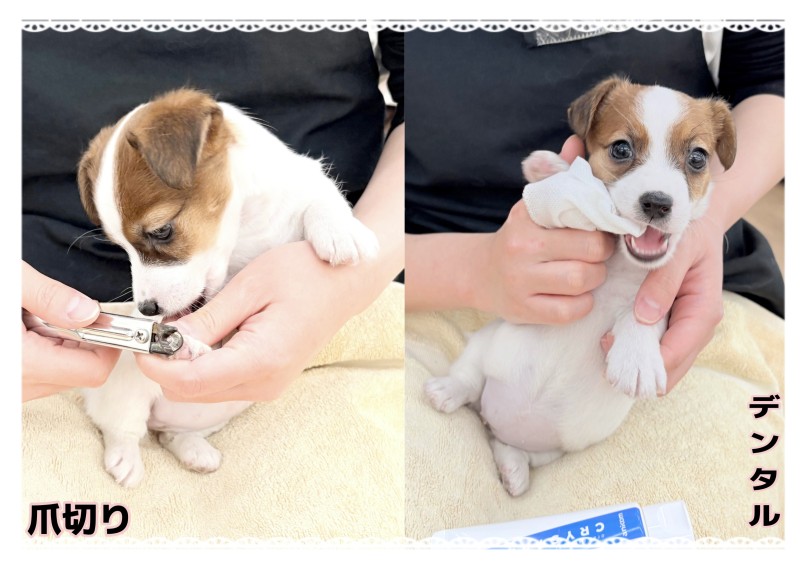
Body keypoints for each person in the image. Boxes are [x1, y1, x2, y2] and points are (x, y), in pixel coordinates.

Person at [22, 28, 404, 402]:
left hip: (349, 320)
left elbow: (426, 108)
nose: (144, 294)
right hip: (49, 335)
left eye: (162, 232)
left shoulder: (280, 179)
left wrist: (352, 280)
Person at [404, 26, 784, 392]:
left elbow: (776, 78)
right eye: (622, 150)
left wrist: (712, 220)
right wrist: (474, 267)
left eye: (695, 159)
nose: (657, 193)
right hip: (427, 278)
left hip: (706, 290)